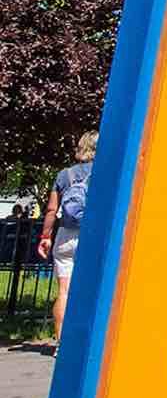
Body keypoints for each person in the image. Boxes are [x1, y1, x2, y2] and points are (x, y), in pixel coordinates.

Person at [37, 130, 99, 346]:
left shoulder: (65, 175)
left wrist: (46, 236)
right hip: (92, 235)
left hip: (64, 235)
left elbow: (52, 210)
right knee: (94, 288)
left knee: (63, 291)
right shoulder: (103, 173)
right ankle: (88, 342)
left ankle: (61, 344)